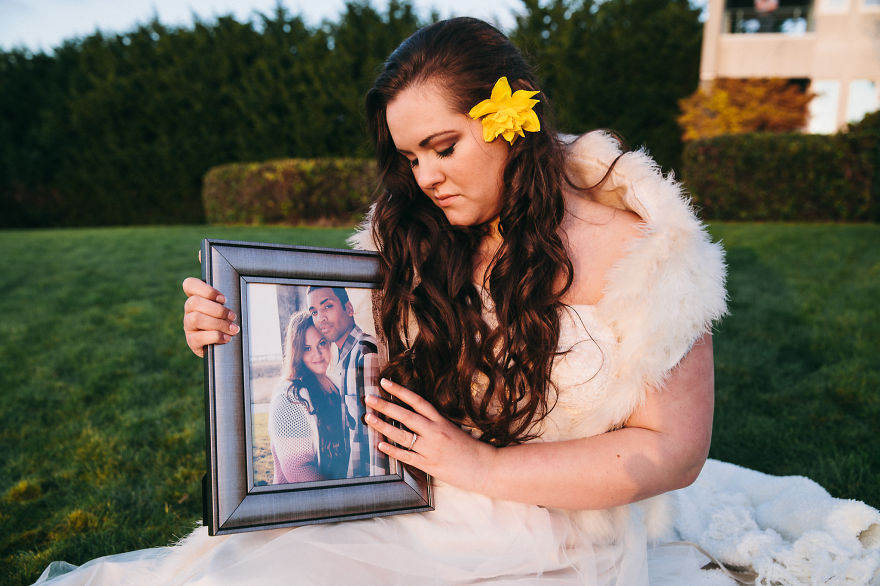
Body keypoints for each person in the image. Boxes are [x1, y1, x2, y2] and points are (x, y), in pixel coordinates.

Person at [35, 16, 879, 586]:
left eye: (442, 146)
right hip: (410, 488)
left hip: (553, 521)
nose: (424, 177)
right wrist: (229, 328)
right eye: (408, 156)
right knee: (237, 567)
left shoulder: (643, 250)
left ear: (510, 119)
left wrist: (483, 467)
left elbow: (675, 453)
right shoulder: (408, 228)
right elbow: (347, 354)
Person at [305, 286, 387, 477]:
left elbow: (376, 437)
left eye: (328, 307)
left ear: (349, 309)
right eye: (315, 312)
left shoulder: (364, 354)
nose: (321, 318)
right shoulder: (343, 359)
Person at [269, 310, 348, 484]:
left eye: (322, 343)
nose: (318, 355)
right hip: (307, 504)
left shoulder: (335, 382)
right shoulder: (289, 397)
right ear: (296, 352)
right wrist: (343, 496)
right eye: (307, 348)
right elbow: (298, 471)